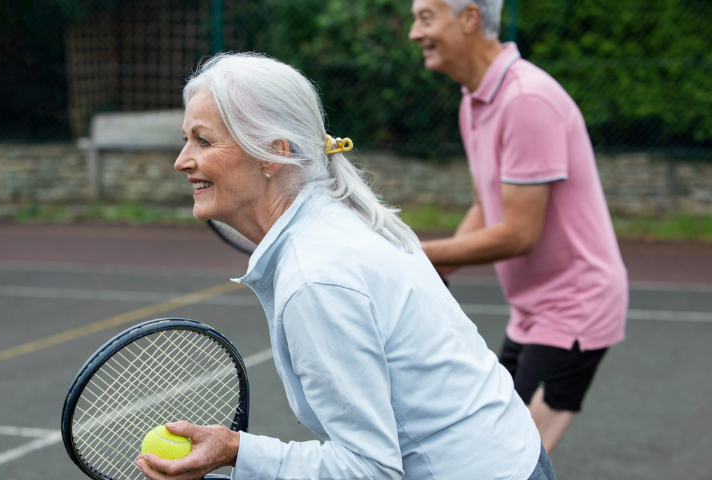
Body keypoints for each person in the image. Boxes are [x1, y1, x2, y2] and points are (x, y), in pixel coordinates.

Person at [134, 52, 555, 480]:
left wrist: (235, 449)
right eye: (187, 139)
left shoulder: (316, 278)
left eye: (204, 141)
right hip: (513, 455)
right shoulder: (340, 217)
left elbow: (370, 470)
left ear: (272, 153)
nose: (182, 160)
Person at [408, 0, 628, 454]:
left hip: (577, 306)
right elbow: (486, 205)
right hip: (533, 310)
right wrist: (434, 270)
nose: (415, 32)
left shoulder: (527, 100)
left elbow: (518, 233)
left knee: (512, 454)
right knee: (489, 442)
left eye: (426, 17)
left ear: (470, 18)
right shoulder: (474, 99)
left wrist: (414, 256)